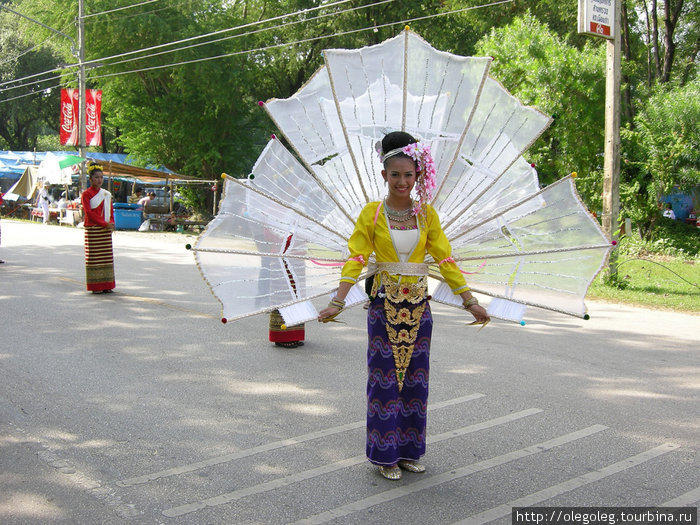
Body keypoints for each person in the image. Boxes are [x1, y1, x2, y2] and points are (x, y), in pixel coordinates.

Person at [318, 131, 489, 481]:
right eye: (395, 174)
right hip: (383, 308)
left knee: (415, 383)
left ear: (417, 176)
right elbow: (356, 257)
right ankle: (384, 456)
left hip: (419, 309)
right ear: (384, 175)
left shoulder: (427, 215)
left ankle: (410, 451)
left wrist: (469, 301)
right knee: (383, 383)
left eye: (408, 175)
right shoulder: (371, 214)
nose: (402, 181)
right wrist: (338, 300)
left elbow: (445, 261)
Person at [81, 163, 116, 294]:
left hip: (105, 229)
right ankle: (96, 286)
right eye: (96, 177)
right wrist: (103, 223)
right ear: (90, 179)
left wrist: (111, 223)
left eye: (101, 177)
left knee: (106, 257)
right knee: (94, 258)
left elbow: (111, 211)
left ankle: (107, 284)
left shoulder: (106, 194)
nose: (99, 180)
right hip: (93, 230)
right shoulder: (86, 194)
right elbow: (89, 213)